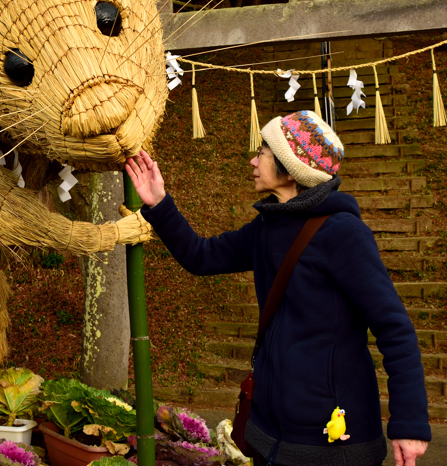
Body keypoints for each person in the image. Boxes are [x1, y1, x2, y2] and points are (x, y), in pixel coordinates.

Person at [125, 110, 430, 466]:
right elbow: (201, 257)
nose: (253, 161)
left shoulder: (343, 234)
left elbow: (395, 329)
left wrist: (409, 423)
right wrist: (159, 203)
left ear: (290, 167)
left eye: (263, 153)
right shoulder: (267, 227)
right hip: (269, 431)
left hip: (332, 439)